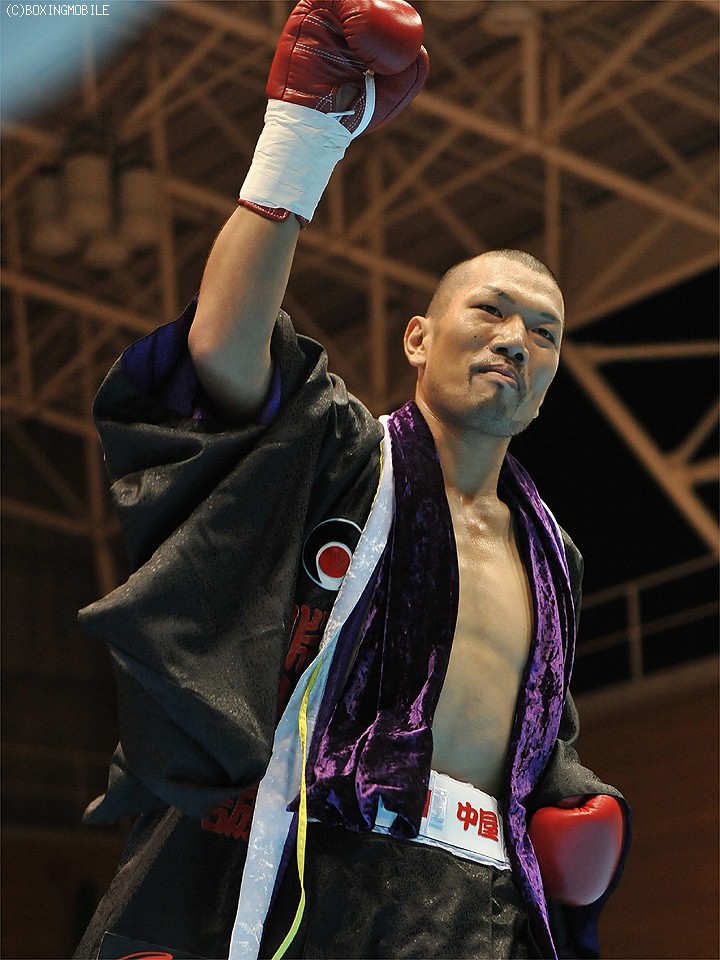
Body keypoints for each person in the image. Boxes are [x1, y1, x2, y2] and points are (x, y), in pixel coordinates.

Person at [74, 2, 630, 959]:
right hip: (314, 873)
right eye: (491, 311)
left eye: (544, 333)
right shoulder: (341, 455)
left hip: (482, 907)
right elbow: (224, 348)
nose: (515, 340)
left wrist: (570, 797)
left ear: (547, 384)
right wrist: (305, 129)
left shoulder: (554, 554)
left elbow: (535, 737)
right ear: (417, 338)